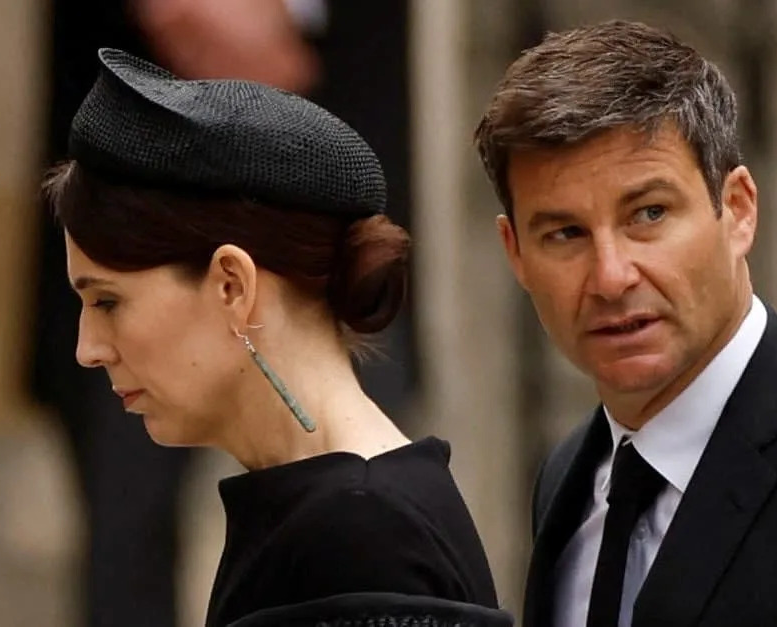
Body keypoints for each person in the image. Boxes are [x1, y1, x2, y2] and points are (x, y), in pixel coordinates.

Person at [474, 19, 777, 627]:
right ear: (516, 253)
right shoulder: (571, 476)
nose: (612, 277)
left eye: (648, 213)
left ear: (739, 210)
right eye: (565, 233)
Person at [43, 48, 513, 627]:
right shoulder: (323, 504)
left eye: (108, 301)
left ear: (232, 286)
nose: (88, 348)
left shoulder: (360, 529)